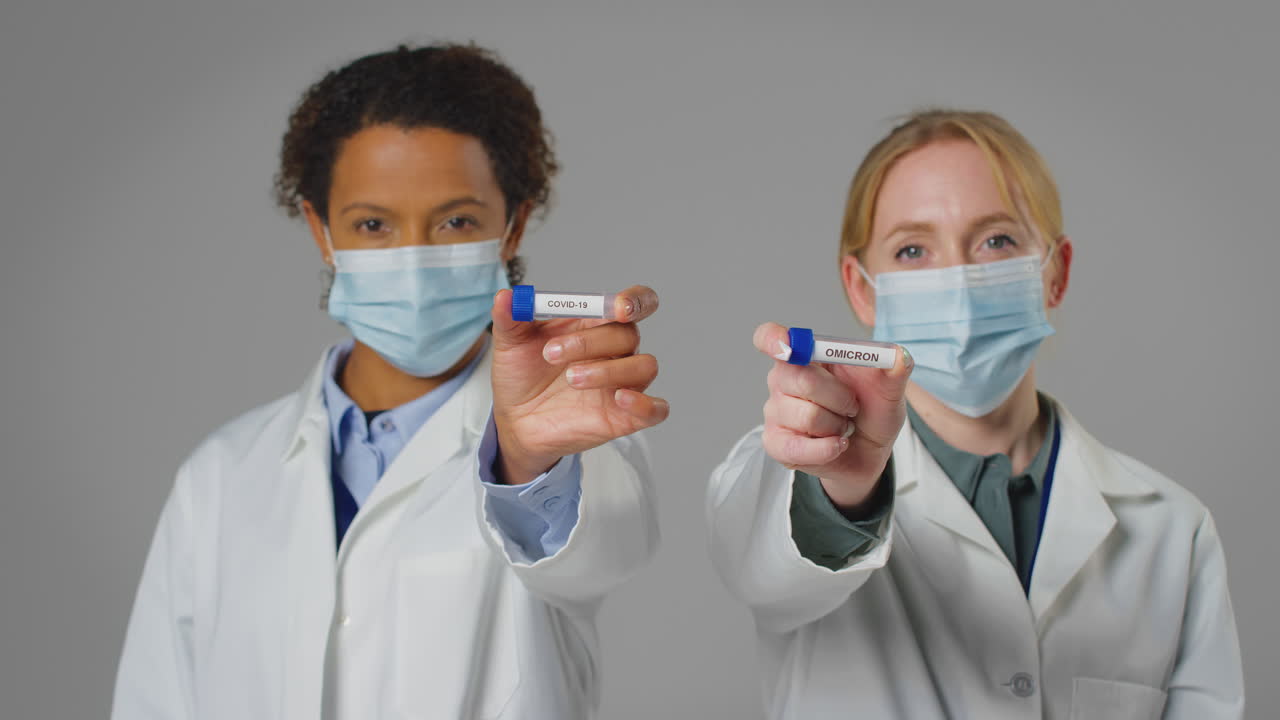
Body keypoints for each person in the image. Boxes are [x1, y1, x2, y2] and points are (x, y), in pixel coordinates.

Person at [112, 43, 668, 720]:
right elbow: (156, 698)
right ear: (322, 230)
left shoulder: (564, 441)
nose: (413, 260)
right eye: (372, 225)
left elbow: (602, 551)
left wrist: (527, 464)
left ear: (512, 226)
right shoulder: (220, 476)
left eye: (456, 221)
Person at [707, 109, 1243, 718]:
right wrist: (843, 490)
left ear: (1056, 273)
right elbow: (761, 566)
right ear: (862, 290)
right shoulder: (793, 470)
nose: (957, 283)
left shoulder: (1173, 529)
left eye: (997, 241)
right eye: (912, 249)